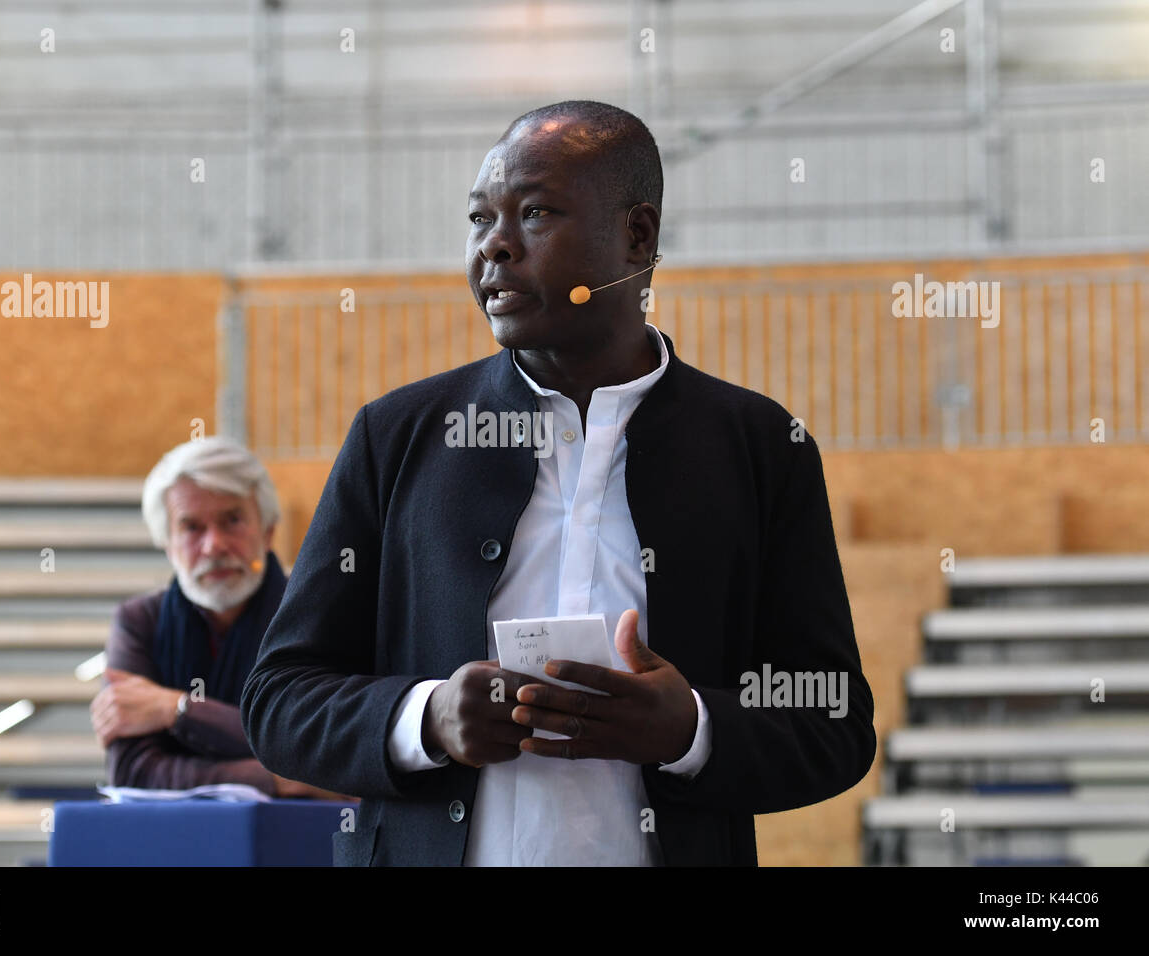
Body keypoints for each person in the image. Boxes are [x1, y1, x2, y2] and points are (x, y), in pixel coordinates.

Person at [241, 100, 875, 864]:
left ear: (636, 236)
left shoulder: (761, 446)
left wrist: (692, 729)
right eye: (481, 220)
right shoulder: (396, 435)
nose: (495, 248)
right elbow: (278, 700)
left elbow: (832, 722)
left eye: (535, 213)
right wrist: (428, 717)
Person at [92, 436, 339, 800]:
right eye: (192, 527)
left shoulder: (316, 612)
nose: (214, 545)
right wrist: (276, 779)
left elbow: (322, 747)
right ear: (167, 543)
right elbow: (132, 772)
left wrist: (174, 709)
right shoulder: (139, 621)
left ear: (268, 531)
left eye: (233, 520)